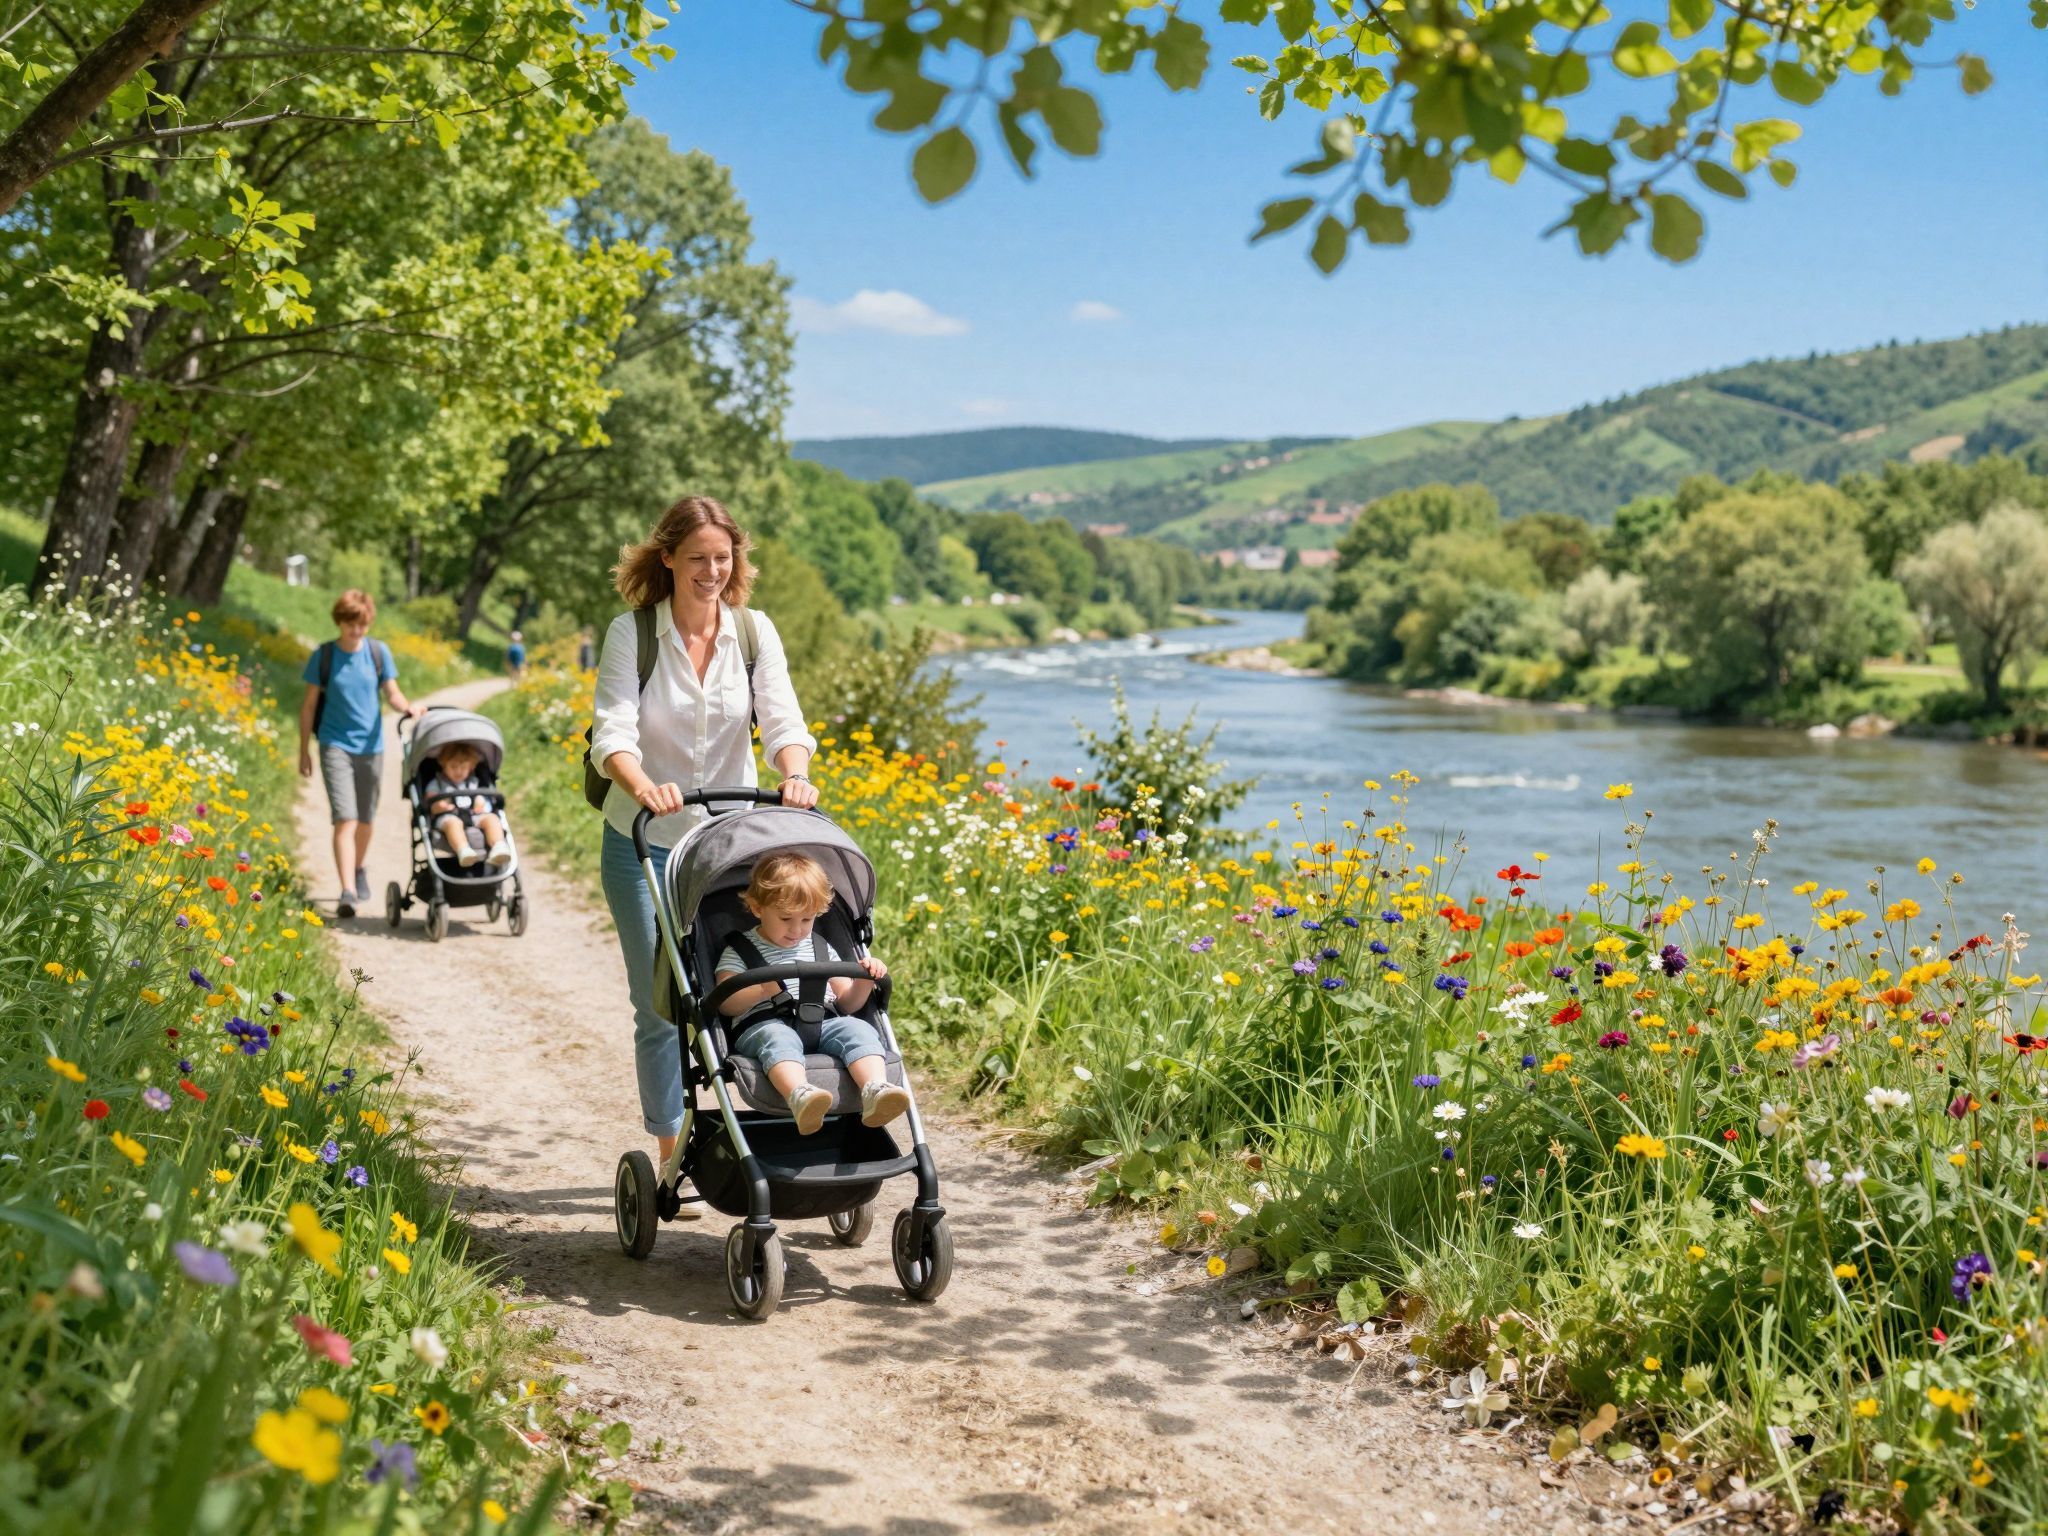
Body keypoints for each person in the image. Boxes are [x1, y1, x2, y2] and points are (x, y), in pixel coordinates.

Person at [589, 495, 819, 1186]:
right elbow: (612, 731)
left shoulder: (752, 633)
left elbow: (783, 719)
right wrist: (642, 787)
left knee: (748, 984)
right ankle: (670, 1156)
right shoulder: (633, 634)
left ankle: (772, 1122)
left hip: (725, 848)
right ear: (667, 558)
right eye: (697, 559)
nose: (712, 571)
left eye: (723, 558)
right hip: (646, 842)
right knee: (661, 1005)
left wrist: (796, 774)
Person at [714, 852, 902, 1135]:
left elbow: (847, 1003)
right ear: (756, 908)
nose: (797, 929)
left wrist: (864, 981)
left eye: (807, 919)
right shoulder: (739, 950)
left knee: (856, 1028)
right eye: (786, 918)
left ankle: (875, 1089)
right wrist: (760, 989)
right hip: (766, 1023)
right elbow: (725, 1003)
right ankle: (800, 1096)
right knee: (777, 1038)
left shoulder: (819, 947)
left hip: (825, 1020)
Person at [298, 589, 424, 918]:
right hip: (333, 744)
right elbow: (309, 705)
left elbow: (392, 693)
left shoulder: (378, 653)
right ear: (339, 621)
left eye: (362, 624)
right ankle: (347, 892)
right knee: (346, 819)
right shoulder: (324, 656)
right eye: (350, 623)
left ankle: (358, 868)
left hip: (372, 748)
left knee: (366, 820)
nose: (356, 630)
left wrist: (408, 707)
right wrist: (303, 751)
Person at [423, 741, 511, 870]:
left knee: (492, 818)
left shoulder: (474, 782)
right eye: (453, 767)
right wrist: (439, 805)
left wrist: (480, 802)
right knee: (453, 823)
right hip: (448, 816)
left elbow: (482, 800)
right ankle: (463, 850)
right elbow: (430, 802)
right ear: (443, 764)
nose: (458, 771)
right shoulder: (436, 783)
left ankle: (498, 846)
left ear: (471, 767)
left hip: (473, 815)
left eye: (463, 767)